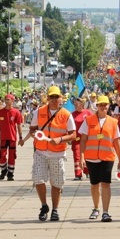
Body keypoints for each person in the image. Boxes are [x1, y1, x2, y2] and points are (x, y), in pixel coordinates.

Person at [21, 86, 75, 222]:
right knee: (38, 178)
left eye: (57, 97)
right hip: (41, 151)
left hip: (58, 153)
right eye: (52, 97)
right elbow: (32, 129)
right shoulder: (39, 112)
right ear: (47, 98)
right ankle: (44, 206)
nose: (54, 100)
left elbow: (73, 134)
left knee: (56, 182)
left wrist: (60, 139)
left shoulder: (66, 114)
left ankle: (55, 210)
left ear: (61, 98)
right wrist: (36, 135)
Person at [79, 95, 120, 222]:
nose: (103, 107)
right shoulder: (88, 120)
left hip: (107, 157)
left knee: (106, 184)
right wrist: (81, 157)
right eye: (100, 105)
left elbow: (116, 142)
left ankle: (105, 212)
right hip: (91, 157)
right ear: (97, 106)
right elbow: (83, 140)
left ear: (109, 106)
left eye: (105, 105)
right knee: (94, 184)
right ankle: (96, 208)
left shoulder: (113, 122)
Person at [0, 94, 23, 181]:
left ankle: (10, 174)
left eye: (8, 99)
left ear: (12, 101)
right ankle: (3, 171)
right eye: (5, 99)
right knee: (2, 156)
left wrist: (21, 137)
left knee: (12, 156)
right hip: (3, 137)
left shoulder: (16, 112)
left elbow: (19, 126)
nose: (6, 101)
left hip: (12, 138)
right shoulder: (0, 112)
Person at [70, 97, 93, 181]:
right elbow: (69, 127)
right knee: (77, 155)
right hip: (76, 139)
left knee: (87, 156)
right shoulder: (72, 115)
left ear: (82, 104)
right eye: (75, 104)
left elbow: (93, 125)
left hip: (86, 138)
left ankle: (87, 172)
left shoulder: (88, 113)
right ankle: (78, 174)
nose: (76, 106)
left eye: (77, 104)